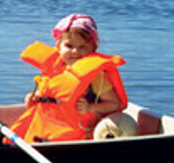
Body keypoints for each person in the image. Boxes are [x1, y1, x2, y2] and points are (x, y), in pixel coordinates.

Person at [10, 13, 128, 143]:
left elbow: (114, 105)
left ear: (93, 49)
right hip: (43, 136)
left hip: (77, 139)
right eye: (69, 46)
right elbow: (45, 100)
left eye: (83, 47)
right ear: (58, 46)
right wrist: (31, 100)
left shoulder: (96, 77)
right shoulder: (52, 70)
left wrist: (90, 108)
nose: (75, 52)